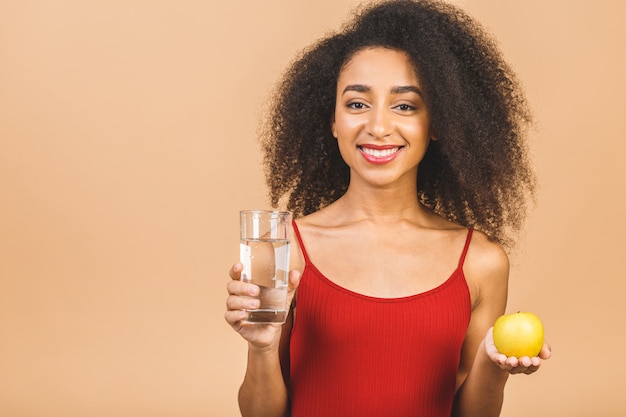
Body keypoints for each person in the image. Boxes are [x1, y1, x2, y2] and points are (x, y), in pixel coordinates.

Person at [225, 1, 551, 416]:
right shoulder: (284, 250)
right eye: (357, 104)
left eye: (405, 106)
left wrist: (494, 364)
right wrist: (262, 347)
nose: (378, 127)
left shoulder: (482, 262)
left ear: (437, 123)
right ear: (332, 121)